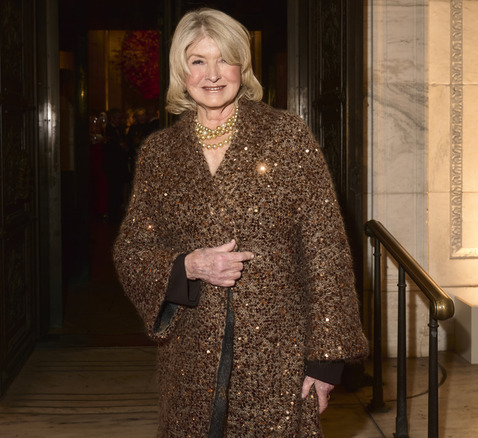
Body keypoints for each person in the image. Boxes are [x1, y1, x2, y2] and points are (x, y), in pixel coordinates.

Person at [113, 8, 368, 437]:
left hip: (278, 353)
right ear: (181, 71)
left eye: (224, 59)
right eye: (198, 61)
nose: (212, 74)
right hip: (191, 355)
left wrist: (326, 361)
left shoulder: (286, 136)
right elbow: (131, 251)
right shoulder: (159, 153)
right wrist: (187, 265)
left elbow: (326, 250)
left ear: (242, 67)